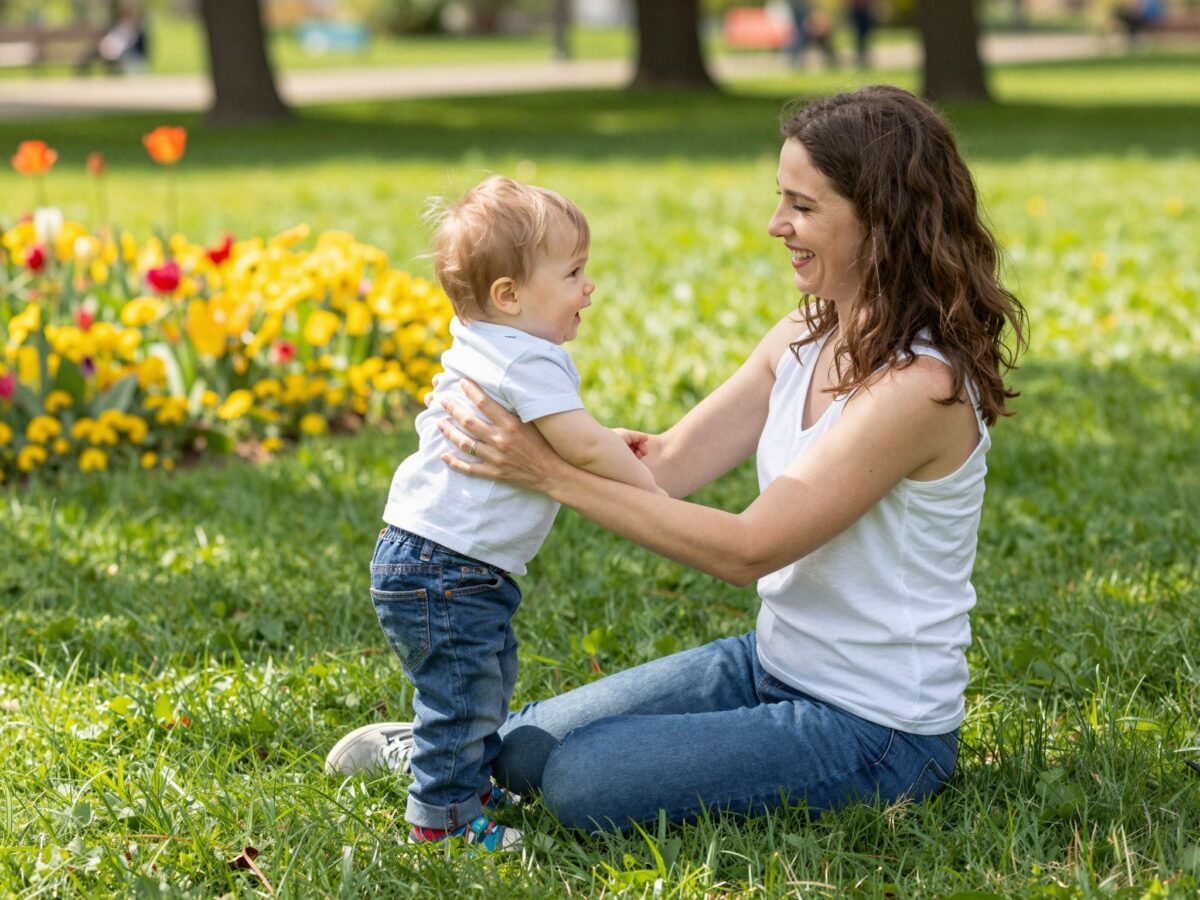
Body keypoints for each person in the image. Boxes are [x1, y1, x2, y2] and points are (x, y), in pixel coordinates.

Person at [328, 86, 1027, 839]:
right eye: (779, 198)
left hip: (876, 729)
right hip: (768, 665)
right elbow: (671, 462)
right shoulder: (804, 333)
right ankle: (451, 755)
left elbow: (748, 550)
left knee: (579, 782)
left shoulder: (920, 389)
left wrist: (551, 474)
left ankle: (460, 765)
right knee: (527, 752)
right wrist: (567, 438)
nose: (776, 224)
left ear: (880, 216)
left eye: (803, 205)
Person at [326, 176, 662, 853]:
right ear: (508, 296)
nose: (588, 286)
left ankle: (467, 783)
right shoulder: (530, 357)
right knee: (464, 696)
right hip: (450, 567)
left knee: (485, 678)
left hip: (430, 559)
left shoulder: (485, 343)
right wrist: (648, 490)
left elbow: (560, 434)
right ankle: (443, 820)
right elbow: (581, 445)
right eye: (572, 273)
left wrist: (599, 438)